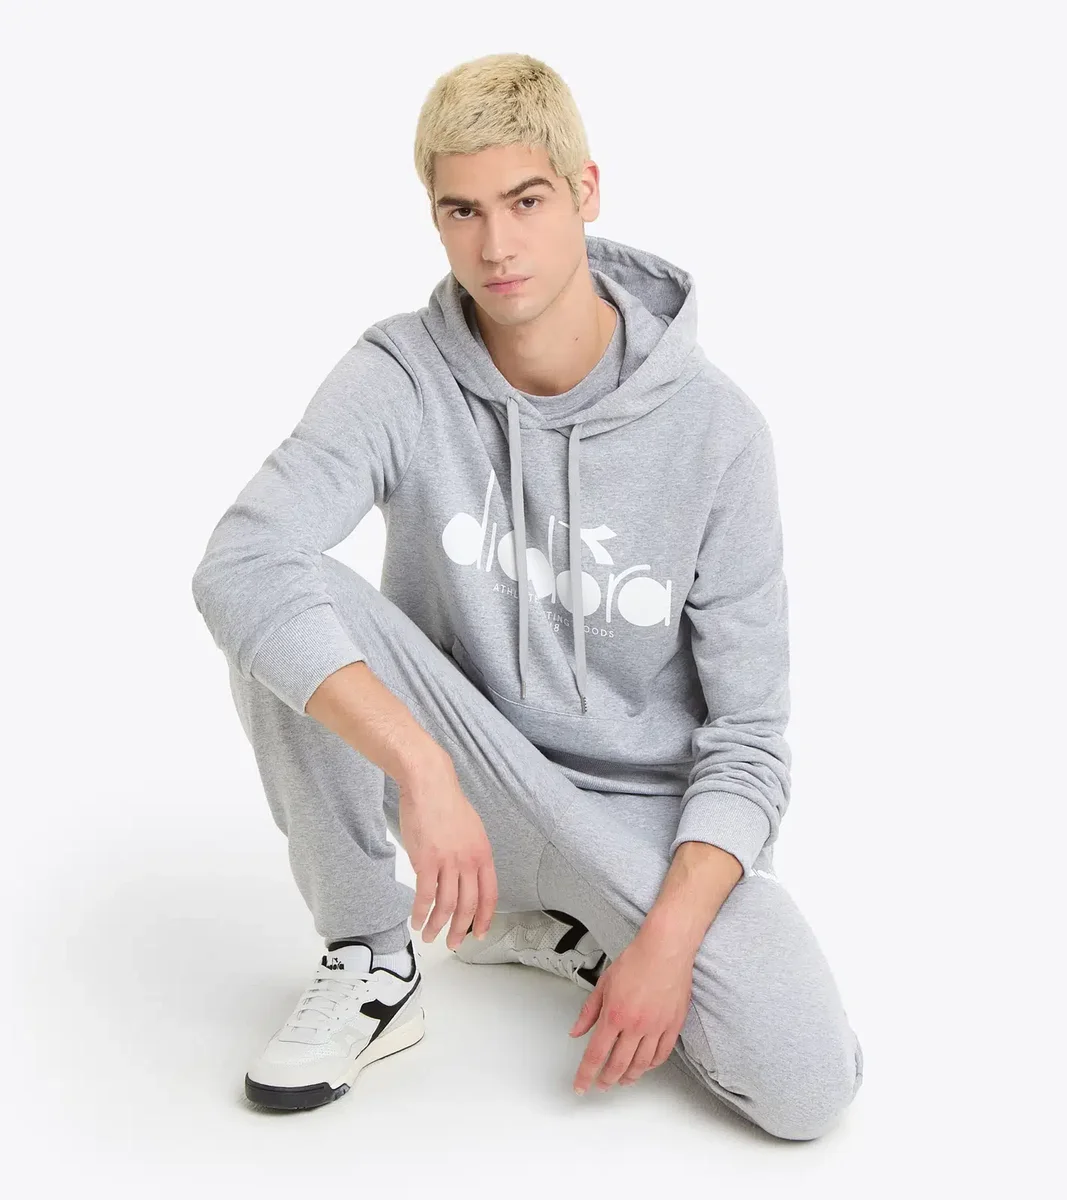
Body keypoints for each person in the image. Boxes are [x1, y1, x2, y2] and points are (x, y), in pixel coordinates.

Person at [191, 51, 863, 1138]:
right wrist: (422, 768)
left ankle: (560, 922)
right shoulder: (401, 374)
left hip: (638, 821)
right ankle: (371, 957)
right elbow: (238, 563)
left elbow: (748, 740)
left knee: (804, 1089)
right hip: (462, 770)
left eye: (525, 201)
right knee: (280, 577)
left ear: (584, 192)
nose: (494, 246)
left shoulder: (717, 433)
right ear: (433, 215)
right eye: (461, 210)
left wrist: (666, 944)